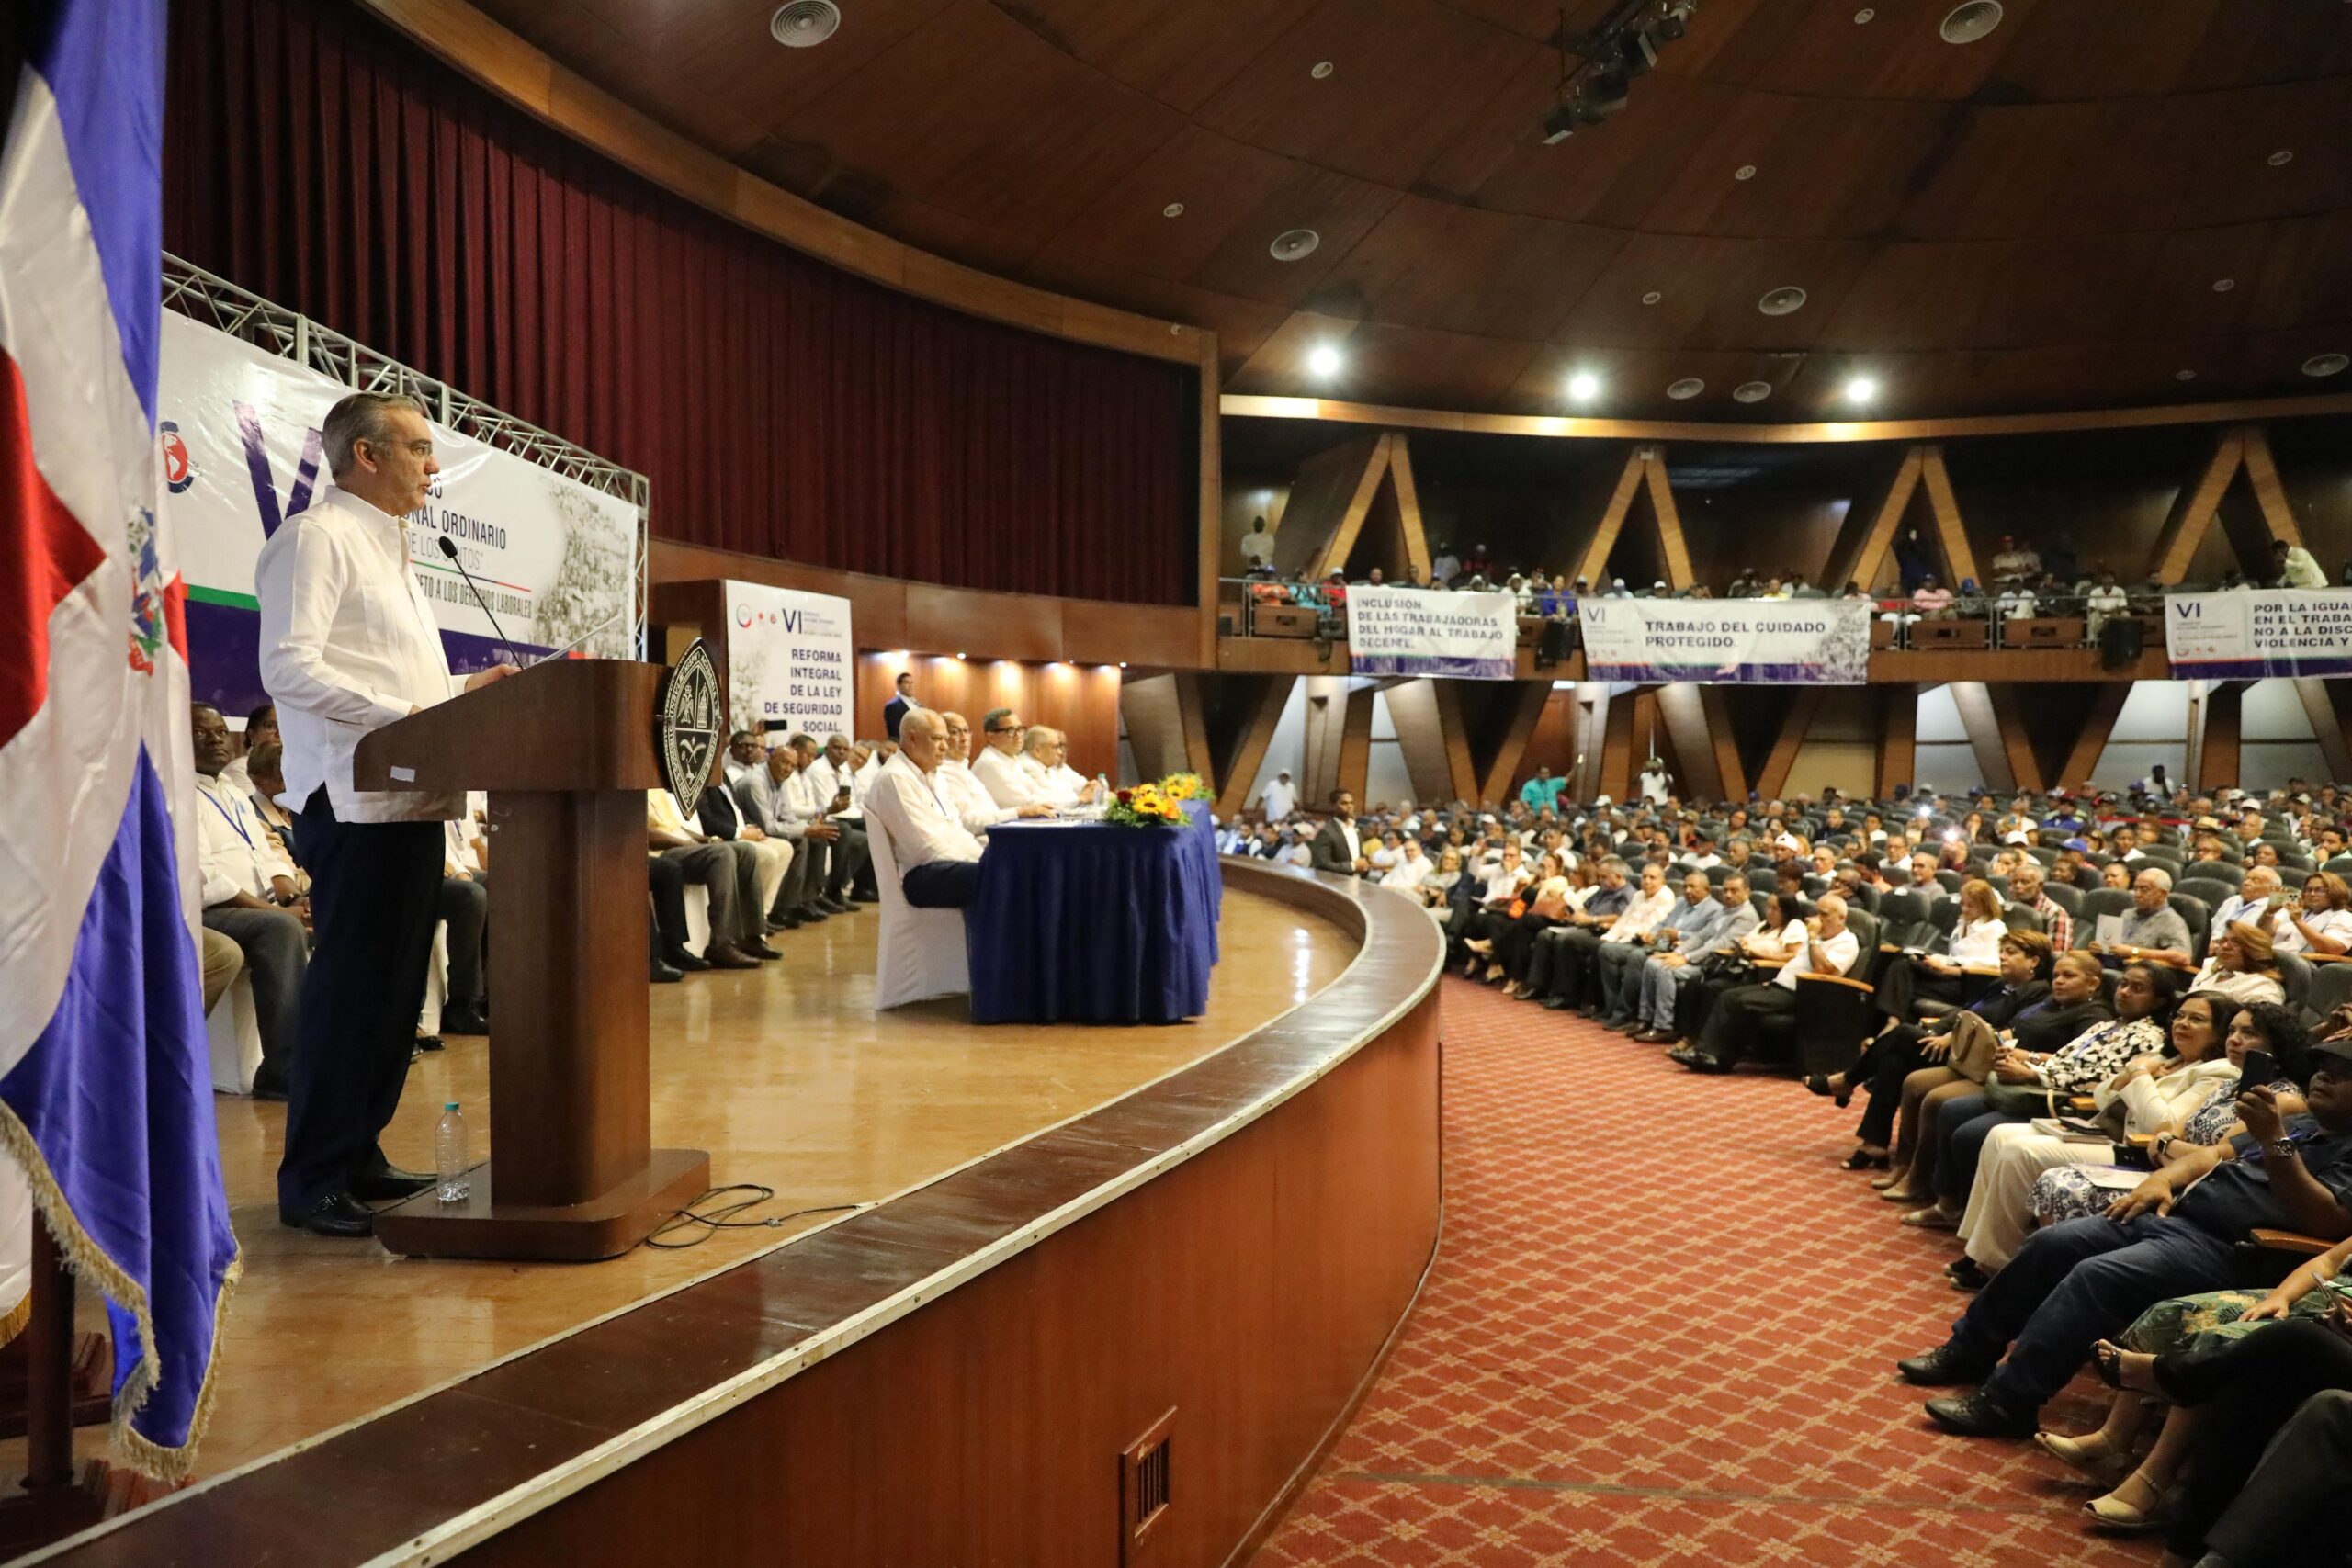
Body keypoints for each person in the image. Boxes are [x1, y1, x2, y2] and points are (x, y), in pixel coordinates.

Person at [255, 390, 517, 1237]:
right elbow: (288, 668)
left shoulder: (395, 548)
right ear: (365, 455)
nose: (432, 466)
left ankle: (358, 1151)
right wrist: (408, 716)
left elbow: (403, 686)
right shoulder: (315, 538)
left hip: (411, 798)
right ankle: (312, 1179)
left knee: (395, 995)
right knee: (350, 994)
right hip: (353, 798)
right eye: (417, 448)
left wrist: (461, 694)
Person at [1896, 1036, 2352, 1438]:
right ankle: (1968, 1351)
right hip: (2178, 1218)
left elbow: (2324, 1220)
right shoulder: (2300, 1124)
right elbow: (2212, 1154)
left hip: (2236, 1249)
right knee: (2049, 1245)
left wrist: (2273, 1140)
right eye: (2322, 1068)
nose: (2322, 1077)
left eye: (2341, 1073)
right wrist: (2162, 1180)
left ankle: (2008, 1402)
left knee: (2097, 1275)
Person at [191, 703, 308, 1100]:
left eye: (222, 732)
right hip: (207, 911)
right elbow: (205, 880)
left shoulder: (234, 793)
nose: (216, 740)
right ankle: (281, 1067)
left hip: (256, 907)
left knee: (331, 915)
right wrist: (277, 911)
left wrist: (293, 895)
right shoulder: (177, 793)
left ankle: (337, 1047)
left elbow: (266, 855)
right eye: (201, 732)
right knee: (281, 928)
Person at [866, 710, 1050, 907]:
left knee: (1020, 866)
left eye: (946, 739)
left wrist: (982, 857)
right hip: (920, 876)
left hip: (945, 865)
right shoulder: (896, 778)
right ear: (912, 739)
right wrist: (979, 861)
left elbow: (956, 829)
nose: (944, 747)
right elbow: (925, 850)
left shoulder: (933, 775)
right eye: (937, 739)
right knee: (1005, 874)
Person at [1670, 894, 1860, 1073]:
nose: (1818, 919)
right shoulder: (1818, 939)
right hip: (1779, 985)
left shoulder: (1846, 942)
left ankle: (1713, 1056)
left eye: (1824, 915)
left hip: (1803, 994)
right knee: (1727, 995)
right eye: (1816, 913)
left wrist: (1812, 939)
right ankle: (1710, 1054)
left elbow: (1823, 970)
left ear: (1841, 918)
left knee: (1737, 1002)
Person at [648, 789, 771, 968]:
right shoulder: (636, 791)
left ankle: (751, 936)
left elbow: (677, 828)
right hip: (661, 852)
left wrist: (707, 840)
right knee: (722, 854)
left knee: (746, 851)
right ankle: (721, 944)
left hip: (683, 846)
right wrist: (686, 844)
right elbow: (646, 833)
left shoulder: (657, 790)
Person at [2092, 866, 2193, 966]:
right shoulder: (2127, 914)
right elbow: (2113, 946)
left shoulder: (2172, 921)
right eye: (2135, 888)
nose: (2137, 894)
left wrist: (2134, 952)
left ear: (2162, 894)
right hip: (2112, 964)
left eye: (2144, 889)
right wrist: (2099, 947)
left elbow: (2183, 957)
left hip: (2140, 971)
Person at [972, 707, 1046, 809]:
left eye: (1020, 729)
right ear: (991, 737)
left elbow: (1037, 791)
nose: (1018, 736)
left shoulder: (1011, 759)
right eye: (1011, 730)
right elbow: (1025, 803)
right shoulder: (990, 763)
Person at [1019, 727, 1101, 809]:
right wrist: (1080, 798)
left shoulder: (1046, 766)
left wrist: (1089, 788)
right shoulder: (1026, 766)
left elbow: (1062, 792)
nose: (1060, 752)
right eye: (1055, 747)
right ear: (1037, 750)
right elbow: (1047, 801)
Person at [1308, 790, 1362, 875]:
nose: (1349, 806)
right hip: (1335, 880)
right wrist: (1352, 866)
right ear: (1332, 806)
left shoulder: (1355, 829)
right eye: (1344, 803)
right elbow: (1322, 864)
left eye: (1352, 803)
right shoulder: (1326, 832)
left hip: (1356, 878)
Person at [883, 671, 920, 740]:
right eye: (906, 683)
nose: (911, 686)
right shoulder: (892, 706)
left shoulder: (917, 704)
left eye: (912, 683)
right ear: (899, 686)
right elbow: (894, 732)